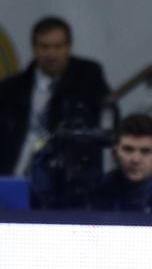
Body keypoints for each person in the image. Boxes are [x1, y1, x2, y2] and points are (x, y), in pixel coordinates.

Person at [0, 16, 109, 177]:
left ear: (69, 47)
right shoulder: (12, 88)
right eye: (44, 47)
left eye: (58, 46)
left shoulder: (88, 77)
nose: (51, 54)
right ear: (34, 48)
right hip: (19, 166)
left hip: (68, 170)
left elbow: (105, 119)